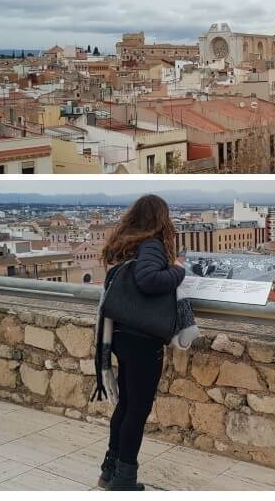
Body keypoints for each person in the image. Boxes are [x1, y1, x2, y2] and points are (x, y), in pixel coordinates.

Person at [96, 194, 185, 491]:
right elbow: (148, 280)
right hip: (142, 338)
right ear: (161, 219)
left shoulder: (126, 244)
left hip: (119, 333)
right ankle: (124, 480)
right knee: (137, 410)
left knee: (125, 406)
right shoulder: (152, 245)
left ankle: (110, 469)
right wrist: (179, 270)